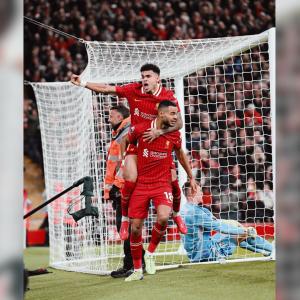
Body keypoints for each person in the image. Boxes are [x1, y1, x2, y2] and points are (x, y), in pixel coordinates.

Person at [70, 63, 187, 235]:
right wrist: (83, 83)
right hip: (137, 145)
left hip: (158, 147)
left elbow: (179, 123)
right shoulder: (134, 90)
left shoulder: (167, 97)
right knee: (128, 179)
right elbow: (107, 89)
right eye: (143, 76)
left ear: (157, 79)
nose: (144, 79)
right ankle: (125, 218)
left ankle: (177, 215)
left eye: (148, 76)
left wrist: (159, 131)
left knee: (174, 180)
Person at [121, 100, 197, 281]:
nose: (175, 117)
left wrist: (191, 176)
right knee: (136, 228)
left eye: (176, 114)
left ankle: (151, 253)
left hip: (161, 183)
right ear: (161, 114)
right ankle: (138, 270)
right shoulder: (140, 129)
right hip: (141, 183)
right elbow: (125, 140)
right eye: (172, 114)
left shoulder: (174, 135)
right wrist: (127, 162)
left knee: (163, 217)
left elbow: (180, 155)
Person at [181, 182, 274, 263]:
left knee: (236, 232)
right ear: (193, 193)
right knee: (241, 234)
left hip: (194, 255)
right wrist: (245, 231)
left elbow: (216, 222)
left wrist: (233, 223)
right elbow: (220, 228)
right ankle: (275, 250)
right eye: (200, 191)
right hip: (208, 255)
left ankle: (266, 251)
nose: (202, 194)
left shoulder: (185, 209)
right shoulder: (197, 212)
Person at [104, 104, 145, 278]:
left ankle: (133, 263)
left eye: (111, 116)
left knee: (127, 227)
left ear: (120, 118)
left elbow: (126, 164)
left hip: (126, 188)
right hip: (121, 188)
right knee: (125, 227)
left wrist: (116, 186)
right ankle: (137, 260)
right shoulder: (121, 133)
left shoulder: (127, 133)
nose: (108, 119)